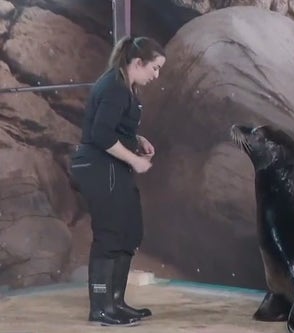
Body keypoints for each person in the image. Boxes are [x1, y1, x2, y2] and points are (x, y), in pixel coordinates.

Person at [69, 35, 166, 326]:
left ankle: (116, 303)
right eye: (155, 68)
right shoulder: (114, 87)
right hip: (100, 166)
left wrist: (137, 139)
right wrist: (135, 159)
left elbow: (112, 127)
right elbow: (100, 135)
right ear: (138, 63)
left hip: (112, 166)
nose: (156, 75)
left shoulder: (125, 86)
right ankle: (101, 307)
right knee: (111, 234)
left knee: (129, 231)